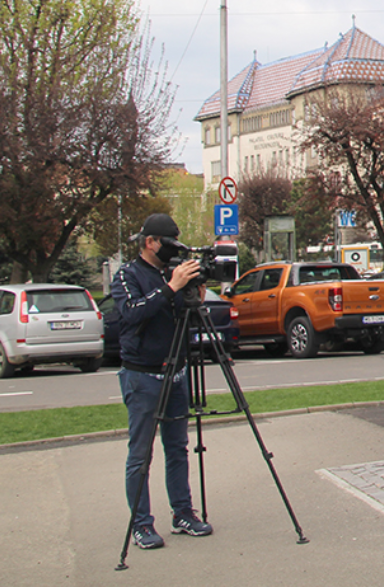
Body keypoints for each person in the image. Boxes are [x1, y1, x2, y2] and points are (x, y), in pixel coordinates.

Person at [113, 212, 213, 550]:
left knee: (178, 448)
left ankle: (182, 513)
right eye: (168, 243)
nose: (173, 249)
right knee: (141, 454)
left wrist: (194, 293)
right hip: (142, 374)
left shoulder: (173, 273)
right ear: (150, 242)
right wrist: (171, 287)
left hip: (178, 371)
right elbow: (132, 312)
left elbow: (184, 316)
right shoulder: (128, 274)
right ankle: (141, 524)